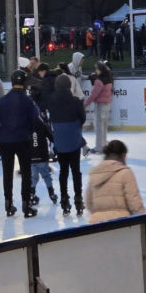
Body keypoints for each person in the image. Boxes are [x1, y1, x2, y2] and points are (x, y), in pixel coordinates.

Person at [0, 68, 39, 218]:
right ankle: (26, 204)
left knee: (7, 173)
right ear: (24, 83)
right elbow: (33, 119)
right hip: (23, 139)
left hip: (5, 141)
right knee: (26, 173)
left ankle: (8, 203)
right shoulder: (27, 100)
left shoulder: (3, 101)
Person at [49, 74, 86, 216]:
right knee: (76, 171)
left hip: (60, 139)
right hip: (73, 139)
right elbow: (82, 118)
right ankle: (78, 198)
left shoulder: (51, 101)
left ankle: (64, 199)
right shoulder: (75, 101)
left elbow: (50, 118)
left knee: (63, 171)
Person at [85, 140, 146, 222]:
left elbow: (89, 203)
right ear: (123, 155)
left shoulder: (94, 174)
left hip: (96, 225)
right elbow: (135, 203)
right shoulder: (125, 173)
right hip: (121, 224)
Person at [84, 61, 114, 154]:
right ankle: (104, 145)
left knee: (99, 127)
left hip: (100, 105)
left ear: (100, 70)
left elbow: (93, 95)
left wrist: (85, 105)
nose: (95, 71)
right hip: (107, 105)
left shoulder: (99, 81)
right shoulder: (109, 78)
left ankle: (99, 148)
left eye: (96, 69)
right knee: (104, 126)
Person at [30, 108, 58, 206]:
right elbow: (52, 137)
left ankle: (31, 194)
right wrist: (56, 150)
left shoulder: (25, 126)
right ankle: (51, 194)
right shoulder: (42, 125)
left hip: (30, 158)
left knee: (33, 178)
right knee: (46, 176)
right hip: (42, 157)